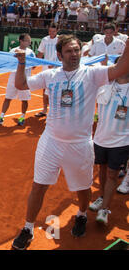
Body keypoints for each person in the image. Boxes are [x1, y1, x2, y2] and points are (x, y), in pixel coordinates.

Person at [11, 35, 129, 250]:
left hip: (80, 144)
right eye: (69, 51)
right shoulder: (50, 75)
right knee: (38, 186)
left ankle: (82, 214)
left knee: (82, 188)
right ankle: (28, 228)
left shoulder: (92, 74)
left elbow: (120, 69)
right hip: (51, 142)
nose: (74, 55)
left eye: (76, 50)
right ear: (59, 55)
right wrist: (21, 63)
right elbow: (21, 84)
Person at [88, 61, 128, 225]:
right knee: (102, 171)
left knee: (112, 174)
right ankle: (102, 197)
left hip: (121, 141)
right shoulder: (104, 84)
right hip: (101, 138)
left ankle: (104, 209)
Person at [0, 33, 34, 126]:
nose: (29, 42)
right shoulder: (12, 51)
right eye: (27, 40)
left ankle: (22, 117)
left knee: (24, 100)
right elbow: (8, 63)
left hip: (24, 80)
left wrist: (25, 66)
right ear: (21, 41)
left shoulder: (31, 53)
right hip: (13, 79)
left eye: (29, 41)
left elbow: (34, 66)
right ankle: (1, 117)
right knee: (7, 98)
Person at [36, 23, 59, 117]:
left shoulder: (60, 40)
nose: (51, 33)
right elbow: (40, 53)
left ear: (57, 31)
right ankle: (45, 109)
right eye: (50, 31)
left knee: (56, 89)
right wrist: (35, 63)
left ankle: (54, 111)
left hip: (57, 68)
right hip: (46, 68)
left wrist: (54, 64)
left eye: (53, 31)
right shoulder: (45, 40)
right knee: (45, 89)